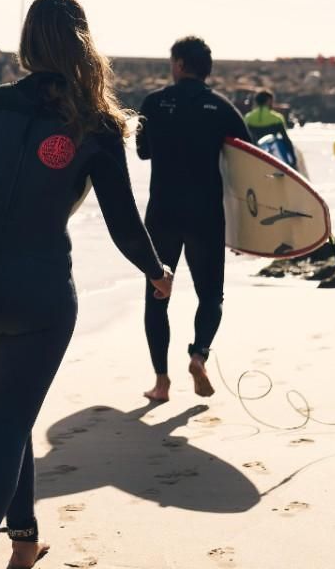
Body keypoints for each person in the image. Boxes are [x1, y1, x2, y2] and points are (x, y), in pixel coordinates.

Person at [0, 0, 172, 569]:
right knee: (7, 425)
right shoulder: (97, 124)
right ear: (82, 46)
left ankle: (26, 541)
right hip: (39, 299)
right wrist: (156, 270)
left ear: (28, 43)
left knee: (10, 415)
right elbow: (122, 222)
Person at [136, 36, 250, 403]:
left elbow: (141, 152)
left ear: (180, 64)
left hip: (163, 214)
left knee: (157, 297)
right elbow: (249, 160)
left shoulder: (153, 103)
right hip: (205, 215)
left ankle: (161, 383)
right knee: (211, 295)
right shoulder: (221, 107)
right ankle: (199, 355)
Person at [244, 89, 296, 167]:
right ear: (269, 101)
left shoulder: (248, 118)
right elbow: (285, 139)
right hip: (273, 156)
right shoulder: (277, 118)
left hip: (254, 153)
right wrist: (293, 158)